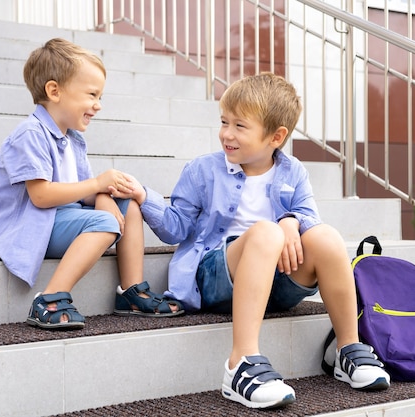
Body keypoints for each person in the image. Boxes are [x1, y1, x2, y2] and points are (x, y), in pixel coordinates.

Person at [129, 73, 390, 409]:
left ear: (275, 137)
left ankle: (347, 348)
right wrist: (143, 197)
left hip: (275, 280)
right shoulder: (202, 170)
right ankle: (241, 364)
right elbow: (176, 229)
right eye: (224, 122)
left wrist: (291, 221)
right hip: (216, 276)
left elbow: (309, 216)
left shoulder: (293, 171)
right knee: (266, 232)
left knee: (325, 236)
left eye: (240, 126)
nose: (226, 134)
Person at [0, 38, 184, 330]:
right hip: (30, 226)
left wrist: (102, 194)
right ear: (55, 91)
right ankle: (50, 298)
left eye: (100, 96)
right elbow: (40, 196)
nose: (98, 105)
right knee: (105, 223)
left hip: (60, 218)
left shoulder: (73, 139)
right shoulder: (30, 134)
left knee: (127, 204)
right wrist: (97, 187)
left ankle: (131, 292)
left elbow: (84, 190)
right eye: (92, 94)